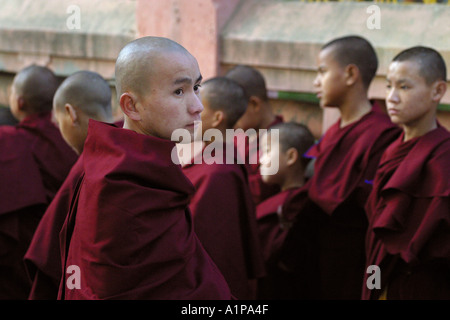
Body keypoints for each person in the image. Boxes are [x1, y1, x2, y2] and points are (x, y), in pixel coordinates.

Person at [58, 36, 232, 300]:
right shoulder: (119, 183)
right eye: (178, 92)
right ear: (132, 106)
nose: (197, 107)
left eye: (196, 87)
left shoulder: (146, 165)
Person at [280, 35, 402, 300]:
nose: (316, 82)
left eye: (322, 71)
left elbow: (373, 210)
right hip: (316, 255)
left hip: (352, 261)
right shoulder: (334, 132)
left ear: (350, 74)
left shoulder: (382, 136)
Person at [363, 46, 450, 300]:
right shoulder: (392, 151)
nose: (391, 97)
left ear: (438, 91)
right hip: (380, 277)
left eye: (404, 87)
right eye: (389, 86)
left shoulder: (443, 159)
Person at [24, 70, 114, 300]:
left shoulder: (88, 165)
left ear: (70, 113)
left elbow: (48, 256)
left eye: (58, 122)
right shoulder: (134, 147)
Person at [181, 77, 265, 300]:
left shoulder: (217, 172)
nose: (190, 110)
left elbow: (211, 248)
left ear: (218, 118)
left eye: (198, 106)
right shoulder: (213, 158)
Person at [0, 65, 78, 299]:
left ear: (20, 102)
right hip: (67, 257)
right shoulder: (72, 136)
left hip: (18, 263)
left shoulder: (7, 142)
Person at [255, 122, 315, 299]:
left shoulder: (292, 207)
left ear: (290, 157)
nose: (260, 159)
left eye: (266, 151)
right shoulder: (284, 200)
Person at [225, 65, 283, 205]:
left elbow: (258, 191)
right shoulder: (237, 135)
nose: (229, 119)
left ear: (254, 104)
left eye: (234, 112)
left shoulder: (281, 143)